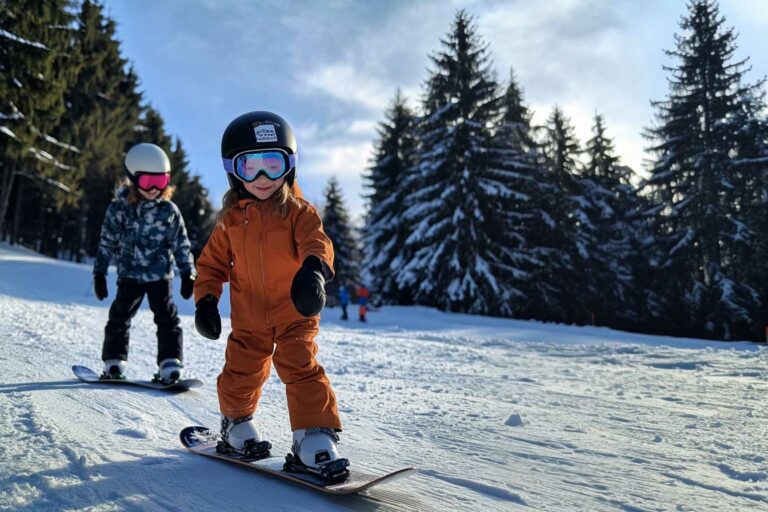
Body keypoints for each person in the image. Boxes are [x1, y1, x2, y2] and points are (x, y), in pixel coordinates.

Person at [193, 111, 348, 481]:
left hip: (294, 310)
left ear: (289, 167)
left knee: (301, 366)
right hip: (249, 317)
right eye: (250, 167)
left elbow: (318, 243)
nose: (262, 178)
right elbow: (211, 265)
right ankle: (236, 423)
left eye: (272, 164)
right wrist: (206, 301)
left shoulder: (298, 212)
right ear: (234, 171)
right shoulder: (230, 221)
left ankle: (313, 436)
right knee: (242, 369)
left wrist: (314, 272)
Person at [93, 143, 196, 383]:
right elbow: (106, 242)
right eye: (148, 181)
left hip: (161, 276)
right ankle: (114, 362)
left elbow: (181, 244)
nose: (153, 189)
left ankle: (170, 363)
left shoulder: (168, 210)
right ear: (132, 178)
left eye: (160, 182)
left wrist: (188, 273)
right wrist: (99, 273)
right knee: (119, 317)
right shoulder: (120, 208)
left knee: (167, 319)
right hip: (130, 274)